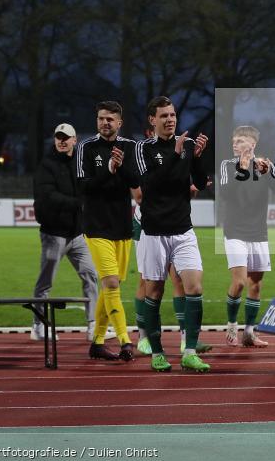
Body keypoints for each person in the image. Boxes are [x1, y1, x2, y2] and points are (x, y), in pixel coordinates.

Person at [134, 96, 210, 372]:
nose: (170, 120)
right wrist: (176, 156)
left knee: (195, 287)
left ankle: (189, 351)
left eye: (173, 115)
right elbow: (148, 187)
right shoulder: (142, 148)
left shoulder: (187, 145)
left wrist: (198, 158)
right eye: (164, 116)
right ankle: (157, 353)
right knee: (154, 291)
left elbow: (200, 182)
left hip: (183, 230)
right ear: (152, 120)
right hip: (153, 232)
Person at [76, 101, 138, 361]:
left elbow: (136, 181)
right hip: (96, 227)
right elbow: (84, 187)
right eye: (101, 118)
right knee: (111, 283)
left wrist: (120, 168)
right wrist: (109, 171)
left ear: (119, 122)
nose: (105, 123)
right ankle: (125, 341)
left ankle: (98, 342)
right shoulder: (86, 148)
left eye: (110, 119)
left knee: (109, 286)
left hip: (122, 227)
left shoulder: (131, 147)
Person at [31, 123, 99, 341]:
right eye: (58, 137)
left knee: (91, 276)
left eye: (66, 137)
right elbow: (47, 196)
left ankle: (93, 325)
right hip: (53, 234)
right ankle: (38, 325)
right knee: (46, 282)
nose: (62, 141)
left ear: (74, 140)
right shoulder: (46, 166)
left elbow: (89, 188)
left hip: (77, 234)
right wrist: (78, 204)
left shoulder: (80, 164)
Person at [218, 126, 275, 348]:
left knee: (255, 285)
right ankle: (231, 326)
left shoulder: (266, 164)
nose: (234, 143)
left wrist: (267, 172)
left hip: (259, 233)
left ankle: (249, 333)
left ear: (252, 144)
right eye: (233, 140)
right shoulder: (228, 165)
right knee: (238, 282)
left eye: (240, 140)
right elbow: (226, 194)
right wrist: (242, 170)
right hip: (235, 232)